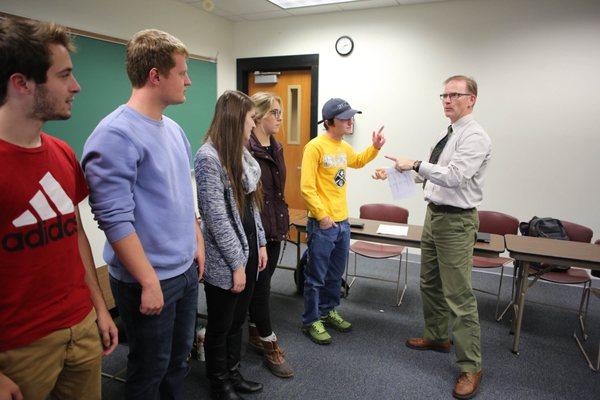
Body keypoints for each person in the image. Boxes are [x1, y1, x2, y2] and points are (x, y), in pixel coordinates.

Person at [81, 29, 204, 400]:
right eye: (181, 72)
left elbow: (183, 197)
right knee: (149, 370)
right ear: (155, 76)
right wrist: (149, 281)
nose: (188, 80)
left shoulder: (175, 129)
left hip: (183, 272)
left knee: (178, 362)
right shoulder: (115, 135)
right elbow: (114, 219)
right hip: (149, 280)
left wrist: (196, 241)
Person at [0, 18, 118, 400]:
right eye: (64, 75)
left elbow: (75, 234)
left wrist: (99, 307)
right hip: (18, 349)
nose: (76, 86)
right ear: (22, 83)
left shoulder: (63, 153)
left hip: (80, 326)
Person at [374, 75, 491, 399]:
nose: (447, 100)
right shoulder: (447, 134)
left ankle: (471, 365)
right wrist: (400, 171)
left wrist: (417, 164)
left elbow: (454, 177)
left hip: (456, 221)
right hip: (435, 215)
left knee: (459, 295)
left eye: (455, 95)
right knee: (429, 282)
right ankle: (438, 336)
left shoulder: (475, 137)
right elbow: (431, 176)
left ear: (472, 100)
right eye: (444, 95)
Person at [195, 90, 268, 400]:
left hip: (248, 247)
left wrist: (261, 242)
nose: (254, 125)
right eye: (251, 119)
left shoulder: (241, 154)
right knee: (221, 323)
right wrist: (236, 264)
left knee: (238, 319)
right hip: (227, 257)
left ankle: (233, 372)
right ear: (236, 120)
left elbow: (251, 206)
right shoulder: (208, 157)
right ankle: (219, 381)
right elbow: (216, 218)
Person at [300, 97, 385, 344]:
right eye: (345, 118)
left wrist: (375, 148)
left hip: (343, 222)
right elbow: (306, 188)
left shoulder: (342, 146)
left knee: (335, 275)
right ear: (329, 122)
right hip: (322, 223)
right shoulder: (315, 147)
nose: (350, 122)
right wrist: (323, 217)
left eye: (351, 117)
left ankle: (327, 312)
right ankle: (310, 320)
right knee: (316, 276)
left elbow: (357, 161)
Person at [246, 92, 293, 378]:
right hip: (256, 230)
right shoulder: (247, 150)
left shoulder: (277, 147)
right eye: (275, 112)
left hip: (275, 227)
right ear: (259, 115)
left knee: (263, 283)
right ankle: (268, 341)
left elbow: (277, 192)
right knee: (262, 286)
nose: (279, 118)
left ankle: (253, 329)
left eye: (281, 113)